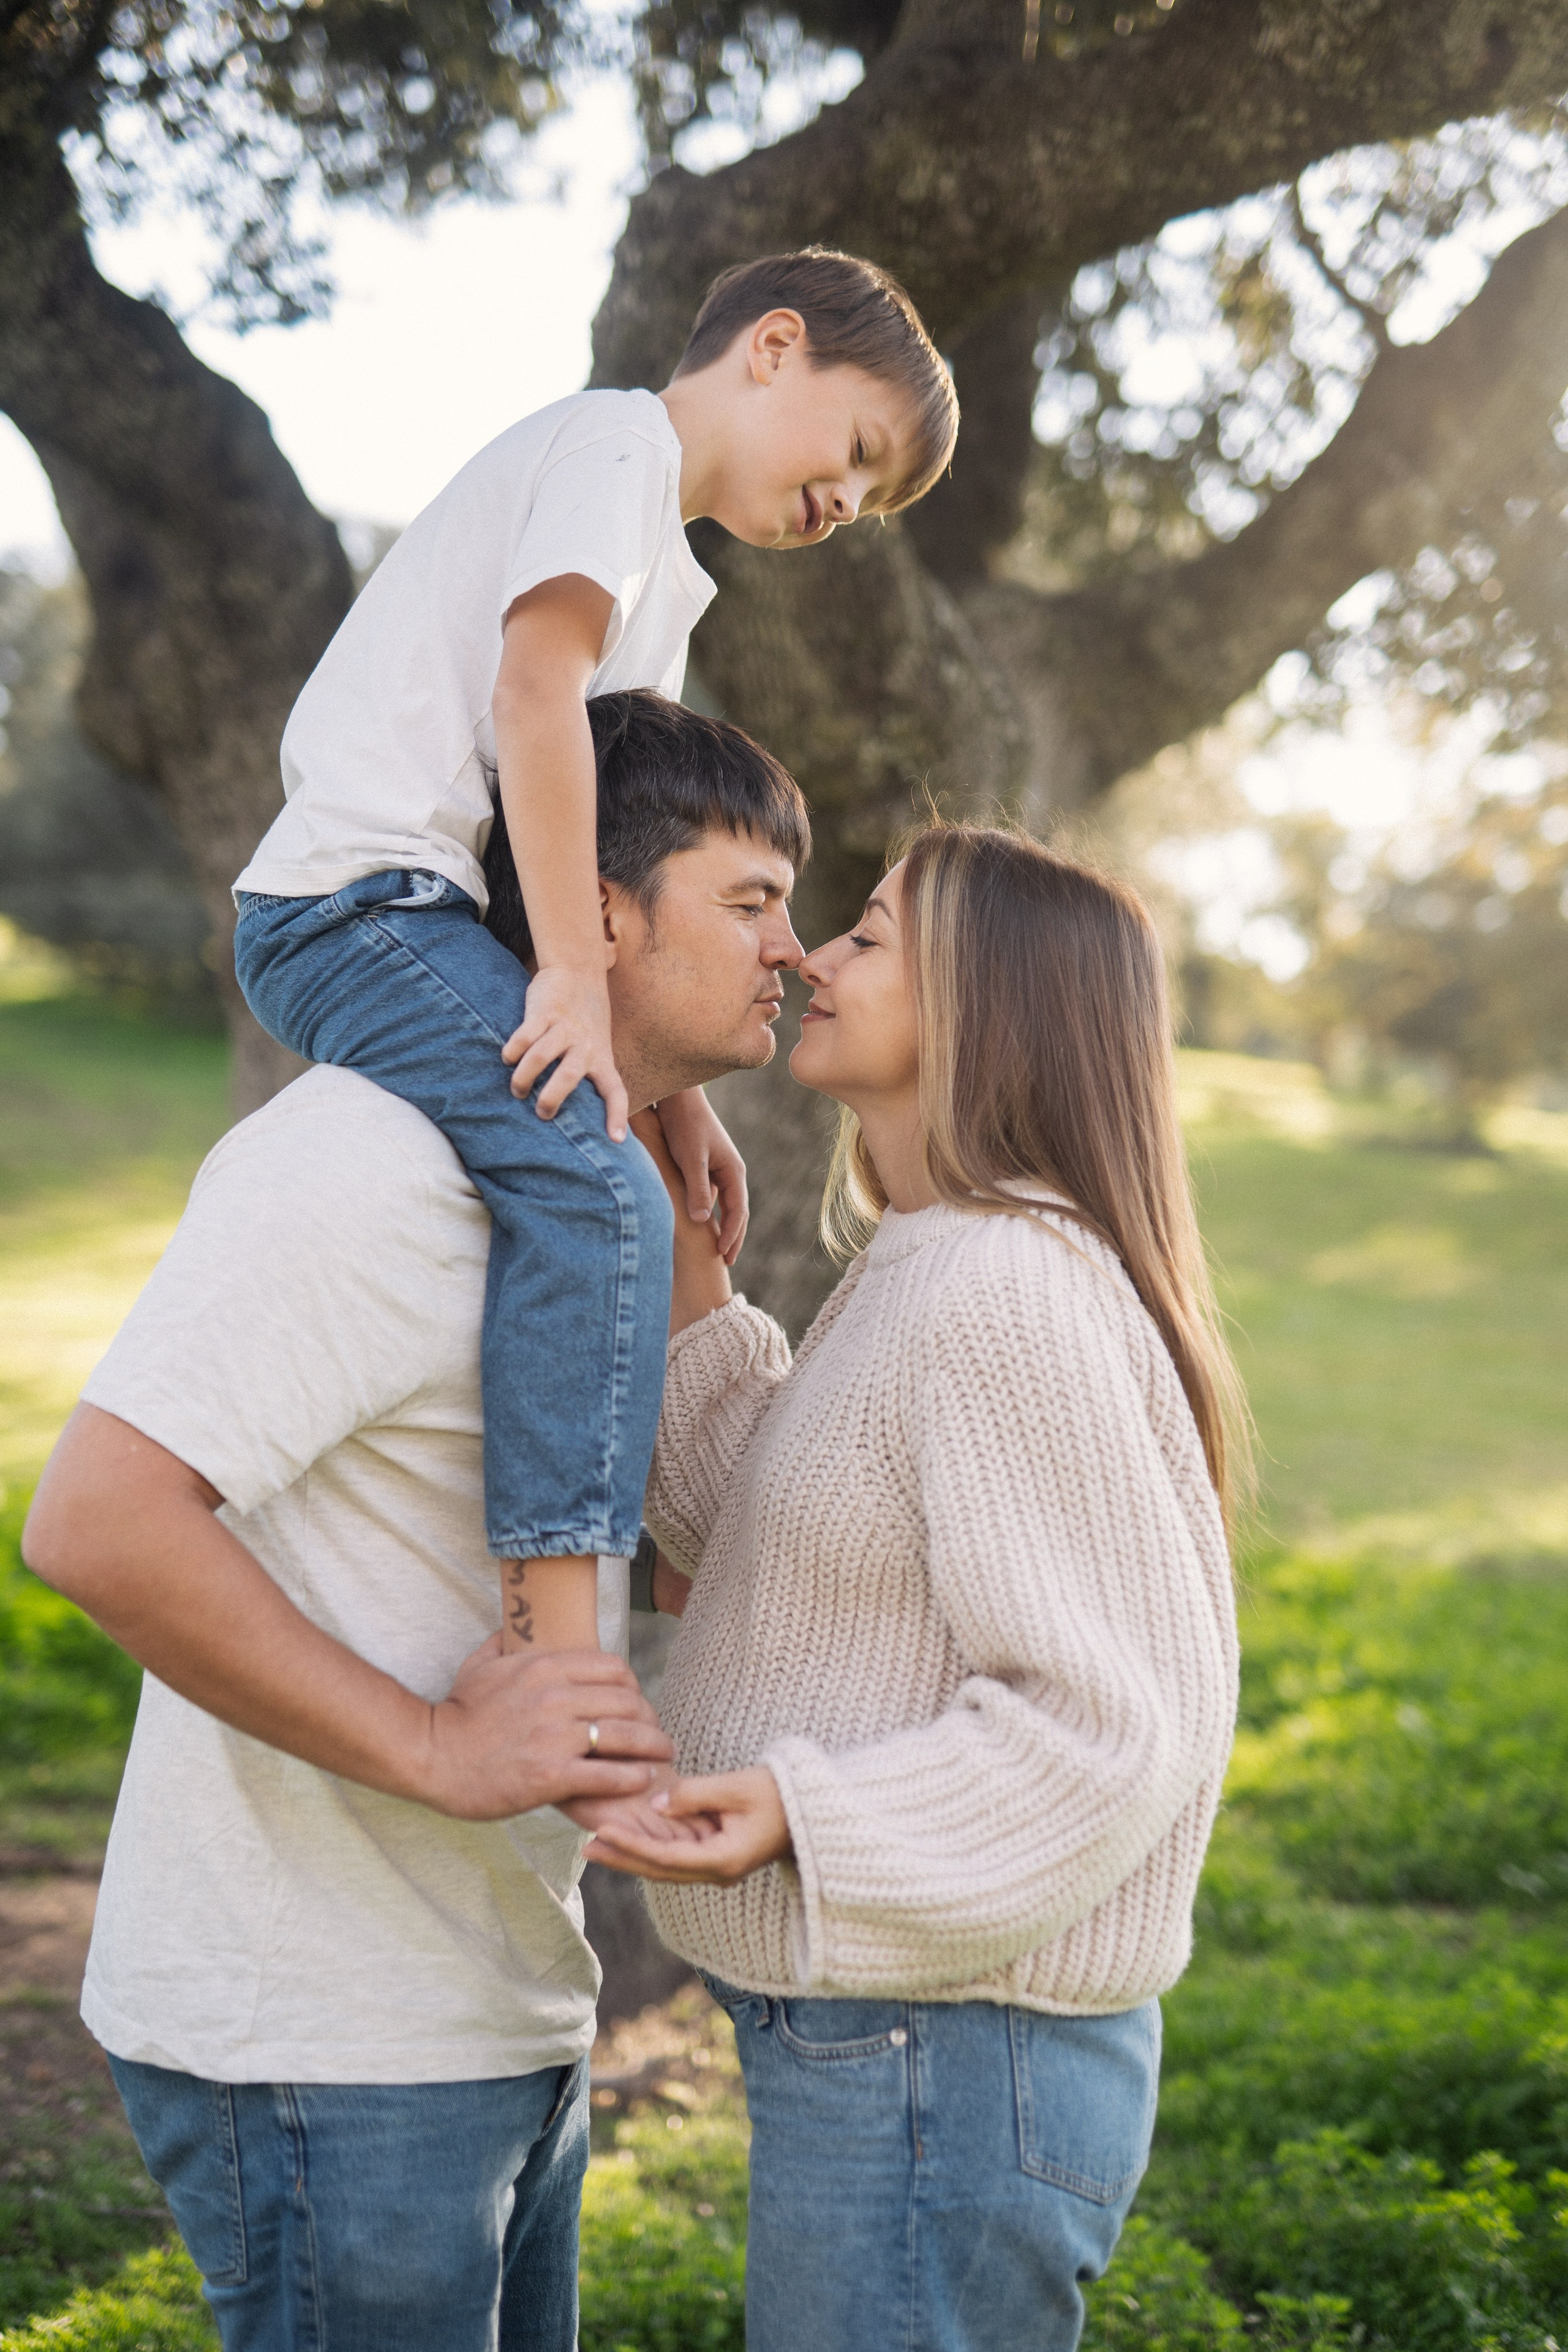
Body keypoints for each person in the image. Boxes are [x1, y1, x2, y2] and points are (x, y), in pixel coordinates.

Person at [20, 691, 810, 2352]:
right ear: (600, 909)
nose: (791, 953)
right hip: (322, 2038)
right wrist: (442, 1753)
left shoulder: (589, 1206)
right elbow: (96, 1521)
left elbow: (680, 1547)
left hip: (498, 2008)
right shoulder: (371, 1162)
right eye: (752, 903)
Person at [230, 248, 958, 1676]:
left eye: (869, 503)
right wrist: (569, 977)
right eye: (856, 452)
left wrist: (671, 1090)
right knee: (586, 1175)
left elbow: (628, 855)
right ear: (772, 345)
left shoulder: (668, 590)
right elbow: (531, 690)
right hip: (352, 905)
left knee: (630, 1162)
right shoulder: (613, 443)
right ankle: (563, 1636)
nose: (843, 506)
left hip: (436, 916)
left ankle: (662, 1552)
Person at [589, 822, 1246, 2352]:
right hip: (911, 2039)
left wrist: (796, 1813)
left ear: (988, 1004)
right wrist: (684, 1239)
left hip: (947, 2054)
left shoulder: (1002, 1289)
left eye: (867, 936)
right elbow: (771, 1538)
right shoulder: (940, 1258)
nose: (811, 956)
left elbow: (1104, 1730)